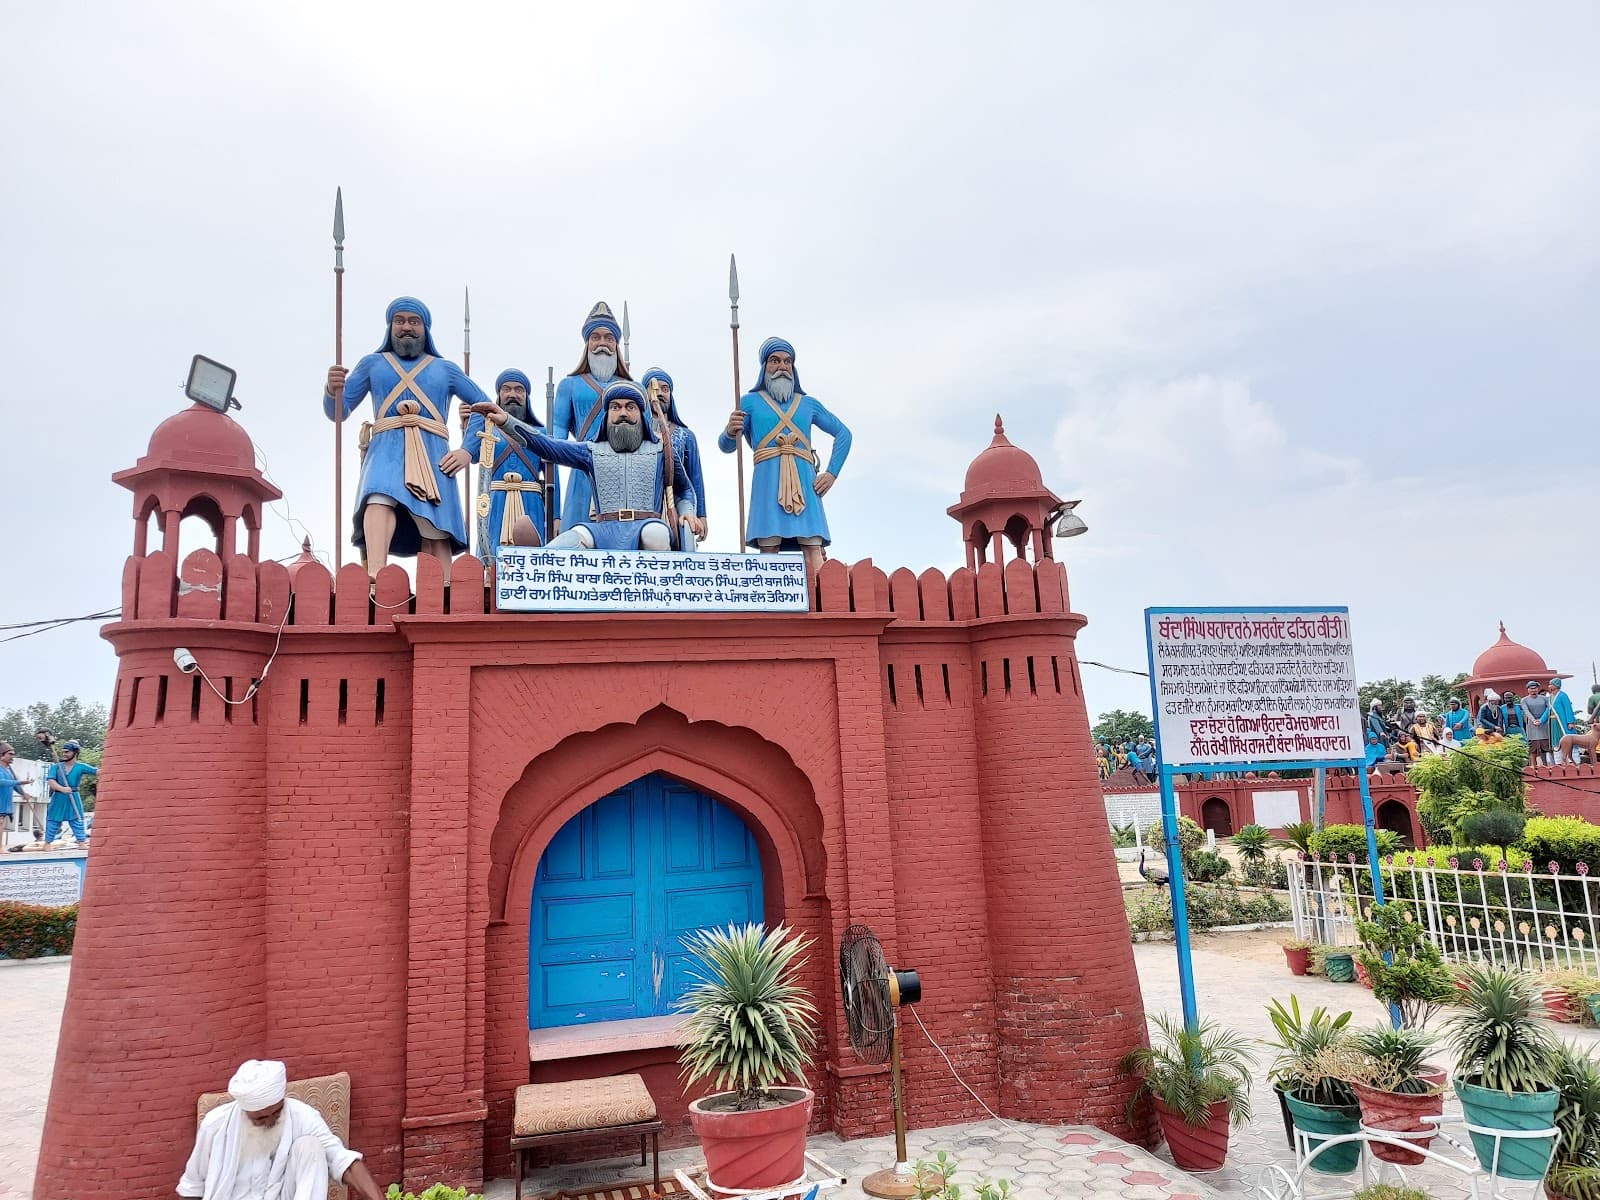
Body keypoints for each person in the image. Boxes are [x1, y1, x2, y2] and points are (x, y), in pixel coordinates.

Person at [323, 297, 488, 581]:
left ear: (425, 328)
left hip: (432, 452)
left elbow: (485, 408)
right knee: (378, 498)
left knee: (435, 524)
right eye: (400, 321)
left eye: (414, 321)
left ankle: (444, 585)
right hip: (386, 447)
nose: (406, 327)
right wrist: (332, 389)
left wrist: (467, 451)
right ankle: (375, 571)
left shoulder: (445, 369)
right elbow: (339, 412)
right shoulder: (373, 364)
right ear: (390, 327)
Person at [474, 380, 698, 552]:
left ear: (641, 414)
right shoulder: (591, 451)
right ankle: (536, 561)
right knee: (571, 540)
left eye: (630, 407)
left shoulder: (660, 451)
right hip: (603, 529)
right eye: (615, 407)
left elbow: (684, 489)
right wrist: (507, 421)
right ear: (607, 416)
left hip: (645, 525)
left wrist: (688, 512)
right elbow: (545, 445)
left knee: (655, 535)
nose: (622, 413)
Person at [720, 336, 852, 578]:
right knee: (769, 545)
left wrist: (831, 473)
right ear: (764, 367)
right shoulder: (749, 403)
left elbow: (844, 433)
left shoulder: (808, 404)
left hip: (804, 480)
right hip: (768, 480)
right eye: (775, 360)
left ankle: (821, 600)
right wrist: (730, 430)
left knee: (812, 544)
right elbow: (727, 446)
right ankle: (770, 600)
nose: (782, 366)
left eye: (787, 361)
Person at [178, 1059, 386, 1200]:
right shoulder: (216, 1125)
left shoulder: (302, 1115)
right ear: (246, 1109)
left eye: (275, 1113)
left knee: (311, 1146)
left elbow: (345, 1162)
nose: (269, 1121)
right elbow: (192, 1186)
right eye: (260, 1118)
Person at [458, 369, 559, 556]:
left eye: (519, 390)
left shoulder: (541, 433)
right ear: (499, 395)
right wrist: (466, 427)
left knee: (532, 550)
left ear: (527, 396)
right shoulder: (489, 430)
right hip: (496, 500)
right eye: (506, 389)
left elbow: (554, 480)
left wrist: (556, 517)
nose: (513, 394)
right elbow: (474, 457)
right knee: (491, 549)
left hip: (530, 500)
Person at [551, 302, 633, 533]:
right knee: (577, 538)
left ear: (616, 344)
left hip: (623, 470)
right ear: (587, 343)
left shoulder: (633, 388)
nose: (602, 344)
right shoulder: (570, 385)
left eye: (608, 338)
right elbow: (556, 437)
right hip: (583, 469)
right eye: (595, 337)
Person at [641, 368, 708, 546]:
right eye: (654, 389)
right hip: (643, 501)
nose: (660, 394)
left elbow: (695, 478)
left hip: (676, 499)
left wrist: (700, 514)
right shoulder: (635, 432)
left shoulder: (686, 436)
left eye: (665, 389)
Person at [42, 740, 95, 846]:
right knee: (53, 820)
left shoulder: (80, 767)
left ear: (74, 753)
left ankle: (81, 842)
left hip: (73, 796)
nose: (64, 754)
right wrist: (62, 788)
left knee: (77, 819)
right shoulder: (56, 766)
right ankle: (47, 843)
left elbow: (96, 771)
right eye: (63, 752)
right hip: (58, 797)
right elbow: (50, 781)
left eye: (67, 752)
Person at [0, 742, 31, 839]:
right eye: (10, 754)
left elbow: (13, 784)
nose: (13, 756)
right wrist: (20, 782)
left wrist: (23, 793)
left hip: (5, 804)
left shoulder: (9, 770)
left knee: (1, 824)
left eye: (13, 754)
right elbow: (2, 782)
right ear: (2, 755)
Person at [1522, 681, 1555, 766]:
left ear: (1538, 689)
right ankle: (1533, 766)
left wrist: (1541, 720)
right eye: (1531, 689)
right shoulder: (1524, 700)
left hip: (1544, 725)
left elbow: (1548, 709)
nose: (1533, 690)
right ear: (1528, 690)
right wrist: (1533, 720)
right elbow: (1526, 711)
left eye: (1535, 688)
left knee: (1546, 747)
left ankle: (1548, 765)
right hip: (1532, 726)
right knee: (1533, 749)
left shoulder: (1545, 699)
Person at [1550, 678, 1578, 760]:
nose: (1549, 686)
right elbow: (1547, 711)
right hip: (1554, 723)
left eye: (1551, 684)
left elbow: (1568, 708)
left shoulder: (1563, 695)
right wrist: (1540, 720)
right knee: (1556, 741)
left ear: (1556, 685)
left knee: (1568, 739)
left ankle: (1573, 759)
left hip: (1563, 722)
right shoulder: (1550, 697)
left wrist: (1570, 722)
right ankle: (1558, 760)